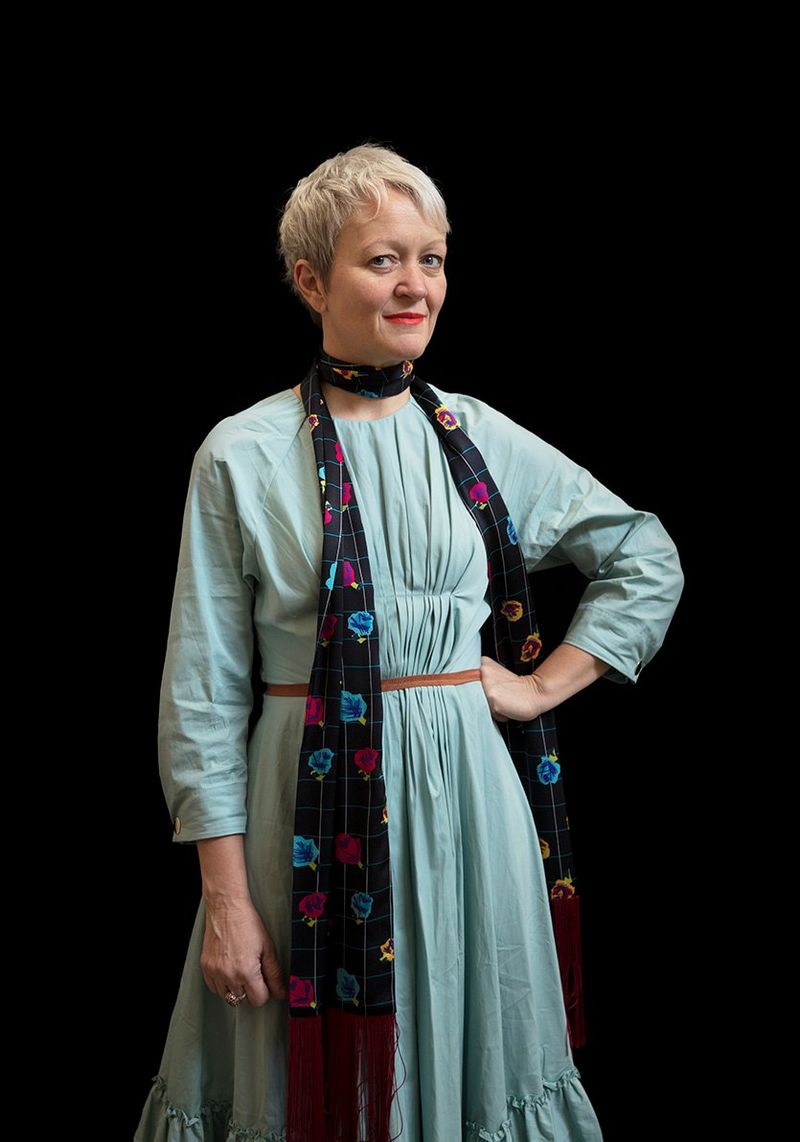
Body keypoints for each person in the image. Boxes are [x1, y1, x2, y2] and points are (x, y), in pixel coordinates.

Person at [135, 143, 683, 1142]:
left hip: (470, 800)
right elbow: (204, 689)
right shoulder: (242, 452)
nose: (415, 284)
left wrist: (538, 685)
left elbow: (641, 555)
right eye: (381, 258)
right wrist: (225, 899)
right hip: (298, 811)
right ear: (310, 279)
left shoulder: (474, 436)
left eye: (430, 258)